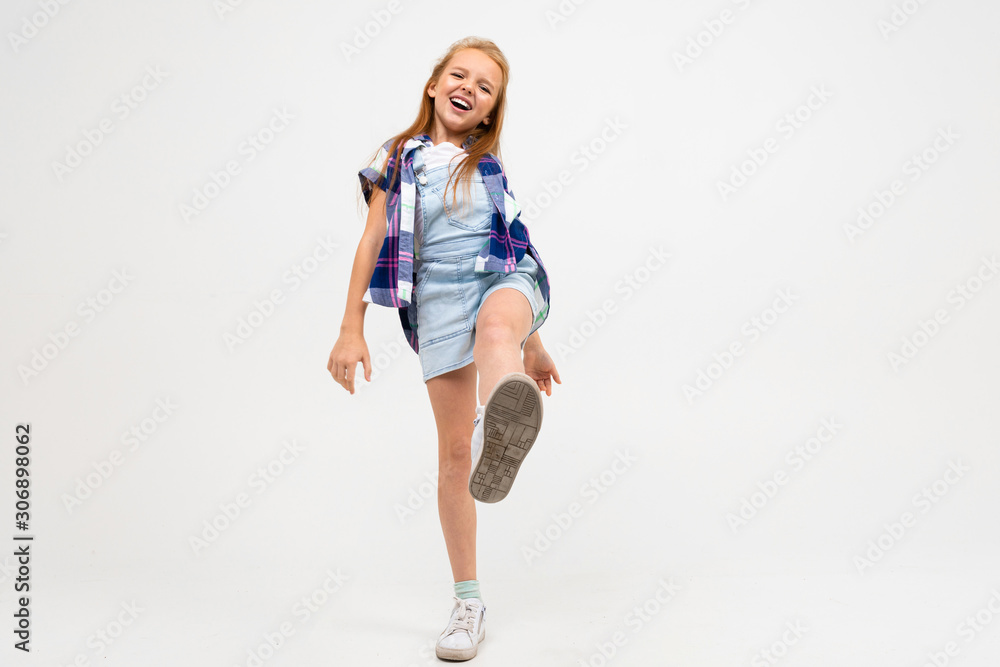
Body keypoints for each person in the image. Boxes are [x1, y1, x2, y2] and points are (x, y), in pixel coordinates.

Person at [326, 37, 561, 661]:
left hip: (503, 283)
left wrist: (532, 343)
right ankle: (468, 602)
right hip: (436, 303)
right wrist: (351, 326)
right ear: (434, 85)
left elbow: (509, 246)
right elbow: (373, 238)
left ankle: (498, 415)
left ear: (490, 111)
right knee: (457, 459)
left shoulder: (488, 166)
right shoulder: (399, 157)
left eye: (486, 88)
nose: (469, 90)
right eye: (461, 76)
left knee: (496, 332)